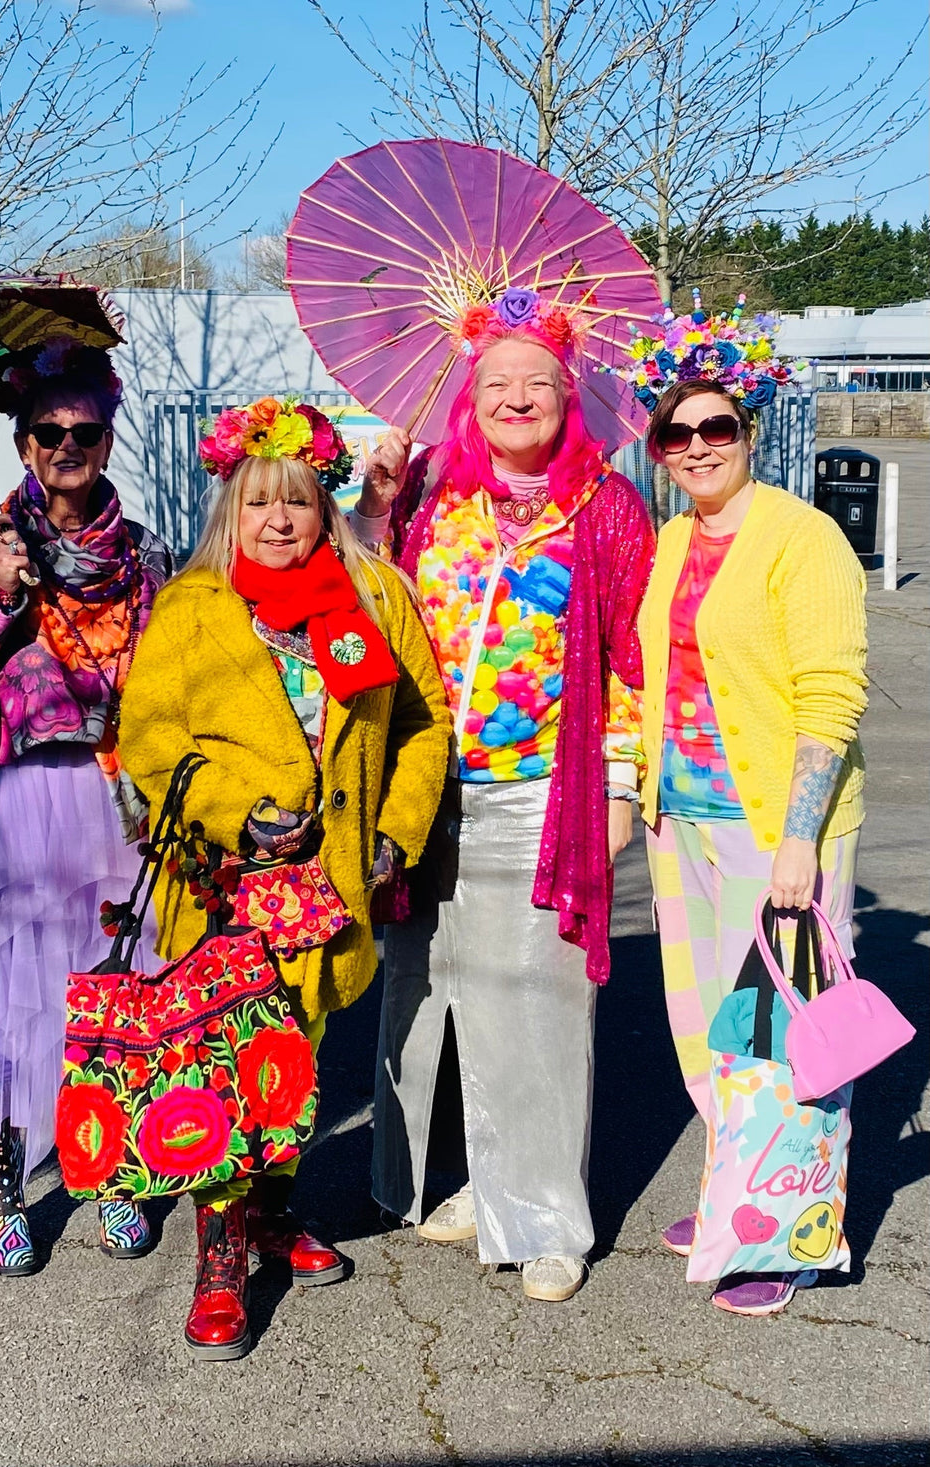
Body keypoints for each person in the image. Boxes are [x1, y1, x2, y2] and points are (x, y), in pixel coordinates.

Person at [118, 397, 450, 1360]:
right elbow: (148, 740)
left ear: (322, 504)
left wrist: (396, 832)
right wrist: (234, 810)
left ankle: (270, 1213)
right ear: (232, 506)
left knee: (293, 1062)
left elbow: (423, 724)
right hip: (225, 882)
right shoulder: (192, 607)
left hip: (331, 880)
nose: (279, 520)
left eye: (298, 501)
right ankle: (220, 1256)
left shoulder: (372, 600)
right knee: (224, 1066)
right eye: (260, 501)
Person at [356, 288, 655, 1302]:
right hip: (425, 790)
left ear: (567, 396)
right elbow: (358, 610)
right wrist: (373, 506)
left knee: (536, 1001)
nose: (514, 396)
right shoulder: (433, 493)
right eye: (495, 382)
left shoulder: (606, 508)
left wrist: (618, 784)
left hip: (541, 790)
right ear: (467, 396)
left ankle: (542, 1218)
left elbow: (632, 661)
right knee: (427, 986)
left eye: (535, 381)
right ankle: (463, 1182)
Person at [0, 338, 173, 1275]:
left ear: (105, 438)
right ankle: (2, 1178)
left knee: (111, 984)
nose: (66, 445)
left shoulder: (143, 554)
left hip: (110, 796)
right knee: (8, 998)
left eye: (84, 431)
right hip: (9, 794)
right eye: (48, 431)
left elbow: (172, 680)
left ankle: (111, 1163)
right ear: (22, 443)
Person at [627, 297, 868, 1316]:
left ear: (747, 430)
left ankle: (790, 1229)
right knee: (707, 1029)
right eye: (673, 432)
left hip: (772, 826)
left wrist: (797, 841)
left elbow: (830, 692)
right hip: (679, 818)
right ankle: (740, 1191)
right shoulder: (673, 541)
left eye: (713, 427)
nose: (694, 446)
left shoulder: (798, 537)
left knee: (786, 1032)